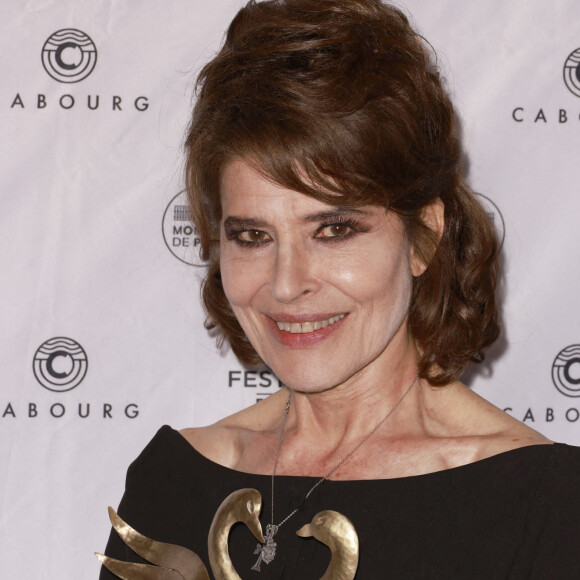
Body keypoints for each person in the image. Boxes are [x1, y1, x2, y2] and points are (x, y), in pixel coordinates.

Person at [99, 0, 580, 578]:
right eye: (252, 236)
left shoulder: (545, 508)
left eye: (333, 230)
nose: (286, 284)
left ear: (423, 237)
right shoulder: (173, 480)